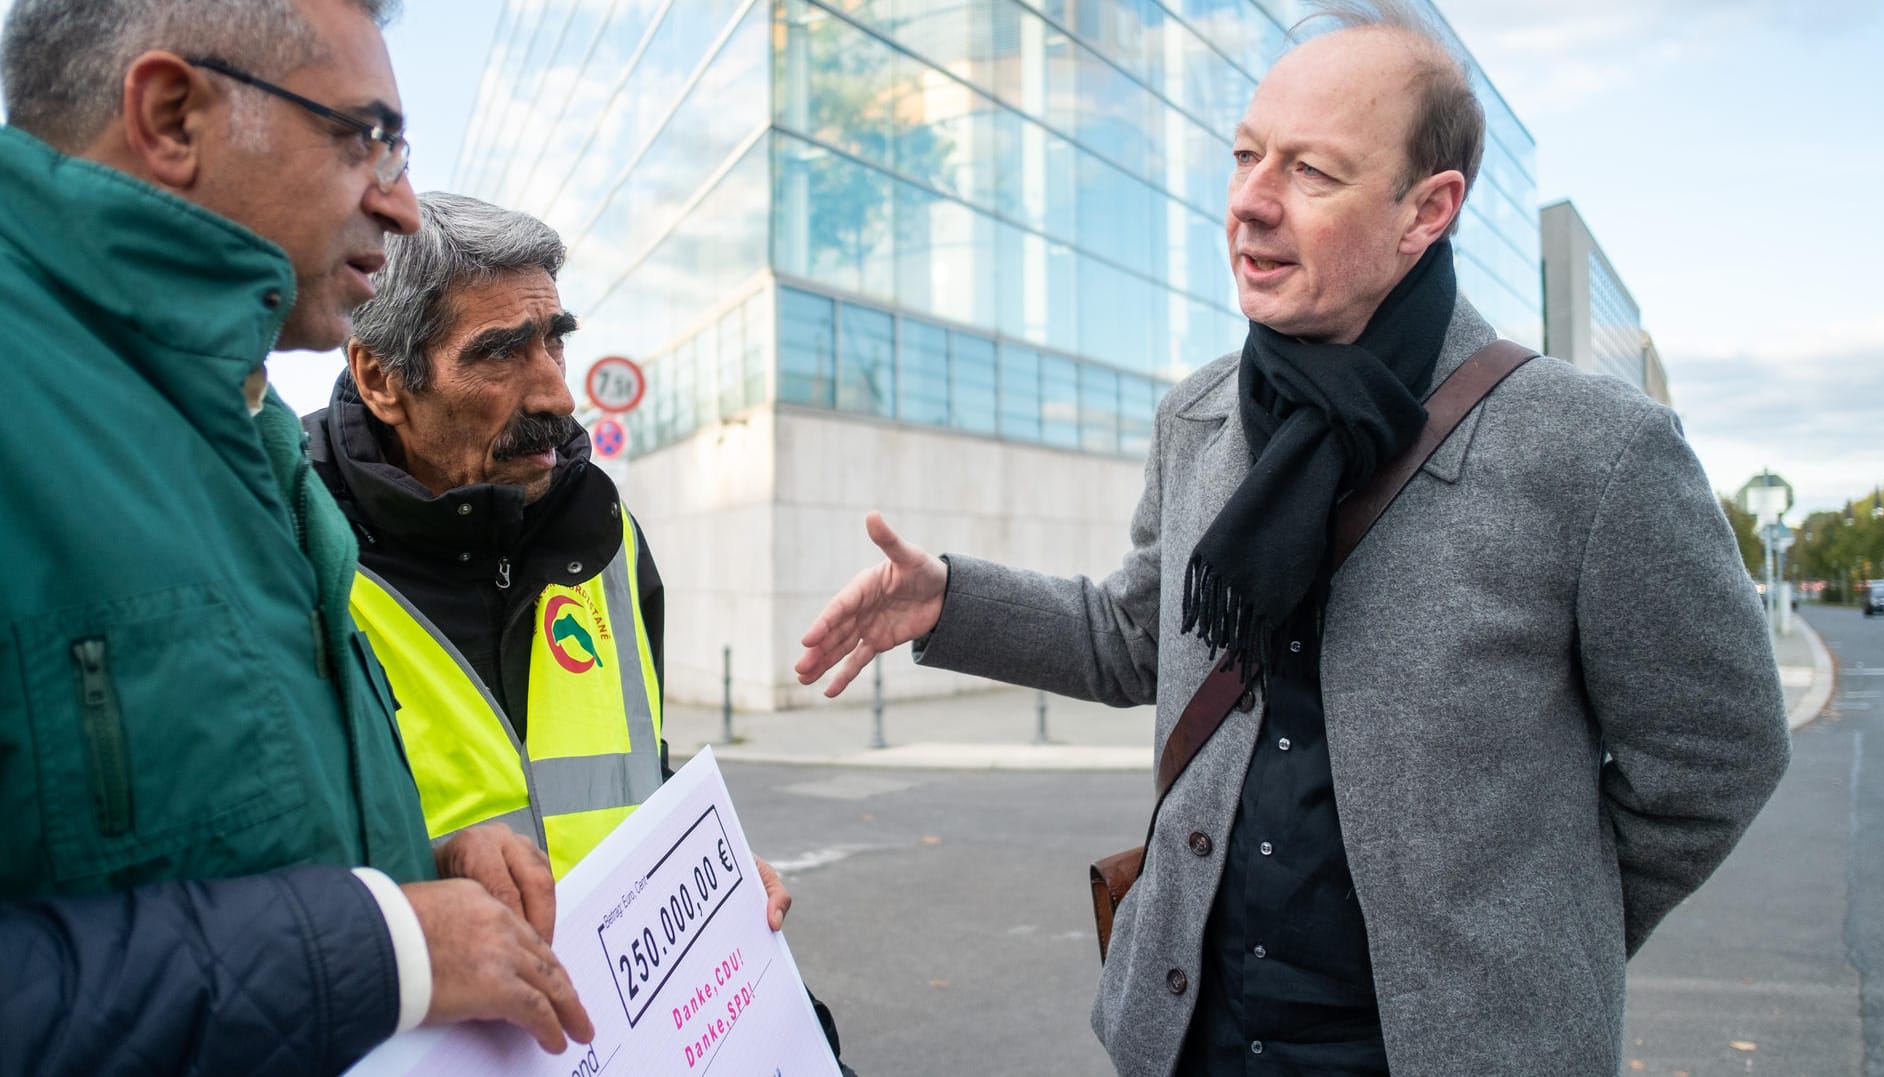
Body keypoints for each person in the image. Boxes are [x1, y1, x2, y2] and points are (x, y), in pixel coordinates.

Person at [793, 2, 1791, 1074]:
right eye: (1245, 156)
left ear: (1428, 211)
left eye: (1311, 173)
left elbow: (1715, 754)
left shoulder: (1595, 453)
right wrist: (952, 599)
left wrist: (1532, 937)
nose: (1249, 204)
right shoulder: (1200, 418)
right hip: (1195, 1038)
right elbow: (1140, 635)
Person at [0, 2, 593, 1073]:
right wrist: (382, 942)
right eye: (365, 137)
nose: (405, 205)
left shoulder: (246, 427)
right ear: (171, 115)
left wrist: (423, 867)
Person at [306, 191, 850, 1068]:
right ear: (380, 379)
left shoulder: (606, 535)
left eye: (555, 336)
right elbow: (237, 878)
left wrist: (707, 880)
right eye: (499, 353)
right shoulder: (291, 554)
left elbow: (641, 774)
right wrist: (424, 871)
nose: (557, 389)